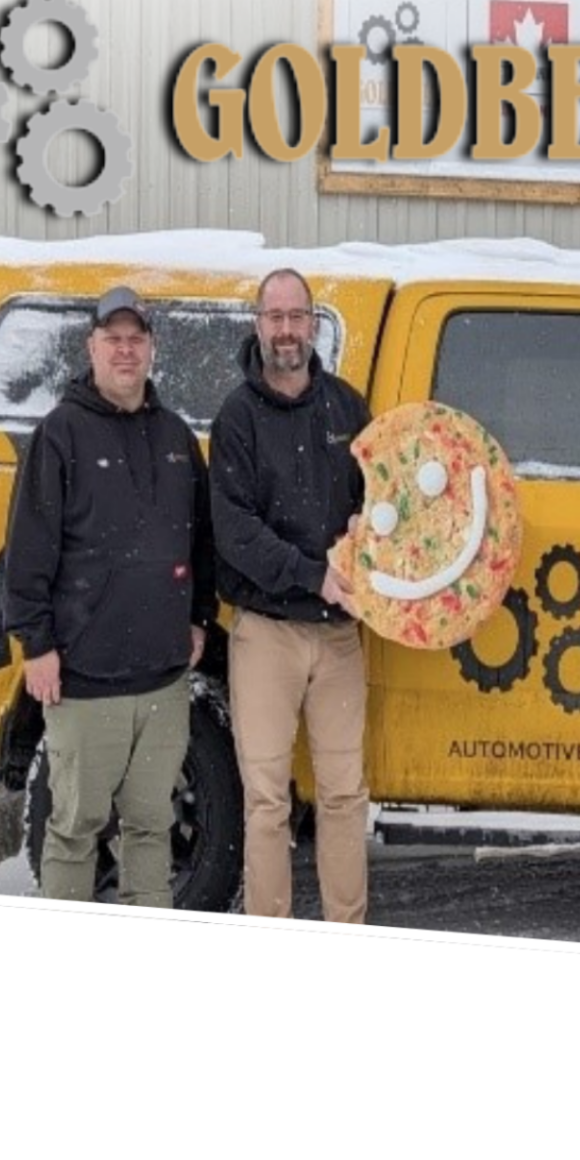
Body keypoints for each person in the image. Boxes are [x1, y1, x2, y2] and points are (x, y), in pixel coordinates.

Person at [3, 286, 215, 908]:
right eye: (113, 339)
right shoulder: (60, 435)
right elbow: (29, 549)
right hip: (84, 680)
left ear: (151, 348)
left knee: (151, 827)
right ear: (91, 347)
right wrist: (36, 645)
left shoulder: (175, 437)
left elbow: (200, 539)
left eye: (136, 339)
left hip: (162, 681)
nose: (126, 351)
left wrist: (199, 617)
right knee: (75, 830)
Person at [210, 268, 373, 923]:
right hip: (266, 633)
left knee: (344, 796)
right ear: (258, 325)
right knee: (267, 803)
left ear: (313, 324)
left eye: (296, 317)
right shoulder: (237, 418)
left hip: (339, 635)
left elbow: (379, 499)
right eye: (274, 317)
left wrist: (369, 532)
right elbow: (235, 532)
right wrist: (312, 574)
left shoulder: (346, 409)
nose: (286, 330)